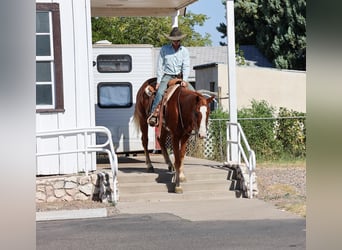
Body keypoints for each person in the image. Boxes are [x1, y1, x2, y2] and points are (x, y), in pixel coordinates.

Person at [147, 27, 195, 127]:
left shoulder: (184, 51)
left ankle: (194, 117)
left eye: (177, 40)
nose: (176, 42)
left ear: (180, 40)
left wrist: (184, 80)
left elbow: (186, 66)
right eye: (174, 40)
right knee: (160, 92)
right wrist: (159, 81)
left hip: (180, 77)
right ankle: (154, 114)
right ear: (171, 40)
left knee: (193, 93)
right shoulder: (164, 49)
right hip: (167, 76)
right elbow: (160, 66)